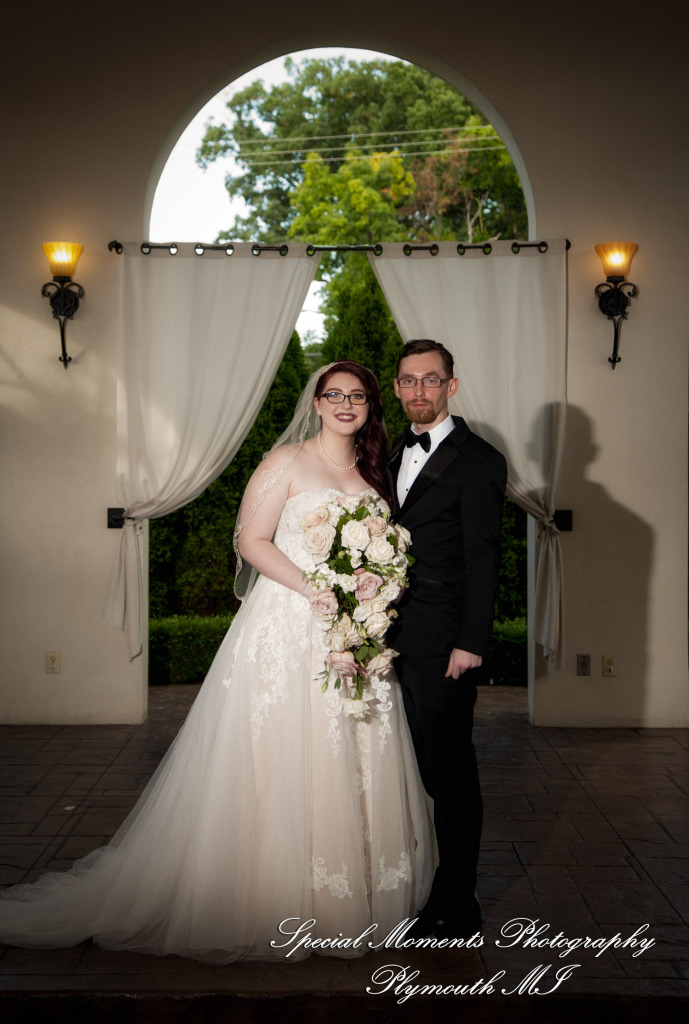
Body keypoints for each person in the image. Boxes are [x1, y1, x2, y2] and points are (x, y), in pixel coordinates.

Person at [0, 360, 432, 963]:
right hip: (289, 623)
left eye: (356, 396)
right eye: (333, 394)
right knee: (282, 752)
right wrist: (316, 588)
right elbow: (251, 540)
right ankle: (272, 894)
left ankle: (341, 895)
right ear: (315, 402)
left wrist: (369, 593)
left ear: (368, 407)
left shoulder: (371, 470)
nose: (344, 404)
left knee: (350, 749)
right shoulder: (285, 462)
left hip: (352, 633)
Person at [386, 339, 507, 941]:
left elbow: (484, 561)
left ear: (451, 386)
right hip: (385, 638)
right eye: (408, 381)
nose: (419, 392)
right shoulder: (384, 455)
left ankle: (458, 902)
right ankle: (410, 882)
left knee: (449, 773)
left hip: (444, 646)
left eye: (430, 381)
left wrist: (471, 642)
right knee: (402, 770)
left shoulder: (481, 460)